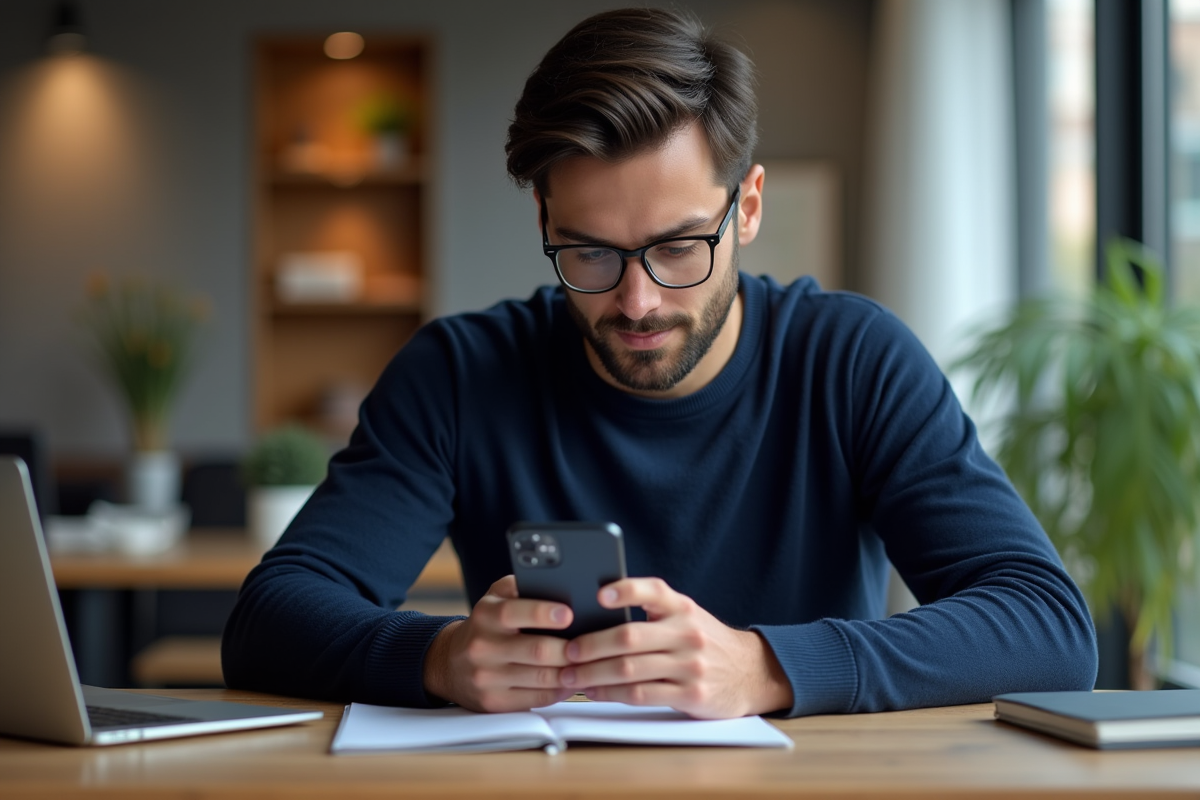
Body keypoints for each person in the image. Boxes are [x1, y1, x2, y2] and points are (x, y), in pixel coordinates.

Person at [222, 7, 1097, 719]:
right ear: (543, 222)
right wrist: (440, 655)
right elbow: (270, 618)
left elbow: (1049, 626)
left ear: (746, 207)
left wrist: (765, 668)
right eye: (590, 253)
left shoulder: (853, 360)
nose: (636, 302)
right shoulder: (459, 373)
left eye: (680, 247)